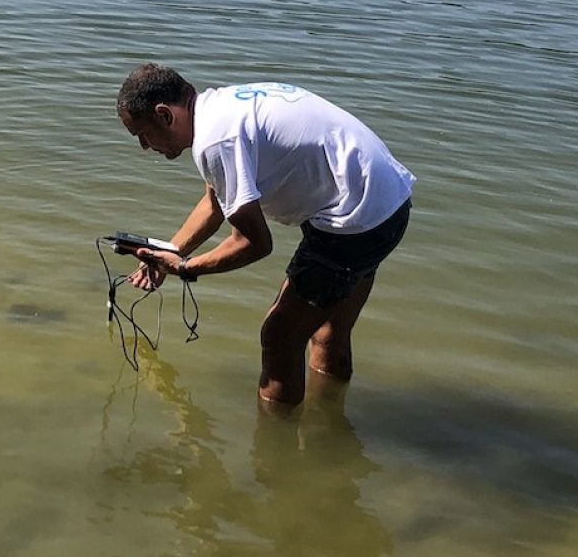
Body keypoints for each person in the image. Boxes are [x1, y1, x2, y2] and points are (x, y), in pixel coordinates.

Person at [116, 63, 415, 408]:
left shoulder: (215, 141)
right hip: (386, 201)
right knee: (328, 327)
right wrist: (167, 252)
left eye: (142, 134)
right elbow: (216, 200)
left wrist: (185, 268)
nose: (143, 146)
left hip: (353, 221)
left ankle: (277, 446)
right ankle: (329, 428)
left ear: (165, 115)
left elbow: (254, 244)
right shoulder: (220, 108)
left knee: (280, 335)